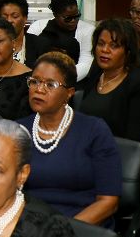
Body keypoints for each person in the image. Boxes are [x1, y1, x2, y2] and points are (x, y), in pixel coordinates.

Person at [19, 52, 122, 227]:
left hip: (81, 226)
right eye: (34, 81)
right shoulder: (18, 131)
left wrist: (64, 230)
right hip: (29, 225)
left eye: (50, 84)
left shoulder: (94, 131)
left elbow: (108, 202)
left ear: (69, 93)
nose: (39, 89)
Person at [78, 19, 140, 145]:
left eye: (114, 45)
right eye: (101, 43)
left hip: (119, 157)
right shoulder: (96, 73)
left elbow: (135, 143)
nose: (105, 50)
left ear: (128, 51)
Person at [27, 0, 92, 81]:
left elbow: (86, 63)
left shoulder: (88, 30)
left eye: (77, 16)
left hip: (72, 81)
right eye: (68, 18)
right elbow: (28, 57)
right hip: (38, 79)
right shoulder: (38, 26)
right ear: (55, 15)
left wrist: (58, 80)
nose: (73, 21)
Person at [0, 0, 45, 69]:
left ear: (25, 18)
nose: (9, 20)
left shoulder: (40, 45)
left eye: (14, 16)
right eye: (4, 17)